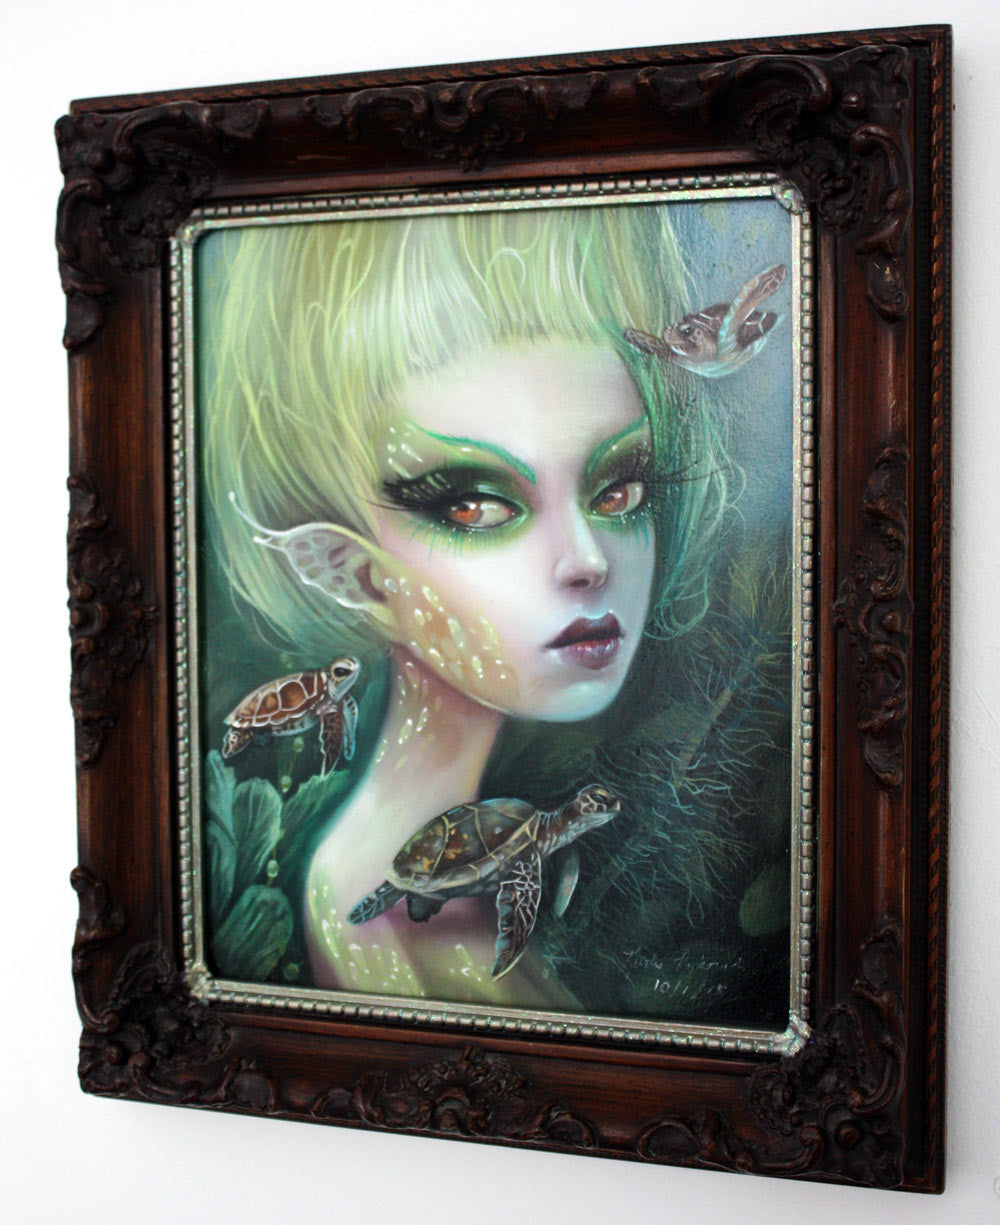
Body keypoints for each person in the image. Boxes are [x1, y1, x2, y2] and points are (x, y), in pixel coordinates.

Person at [201, 203, 786, 1020]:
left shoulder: (493, 883)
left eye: (619, 489)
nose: (587, 559)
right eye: (475, 507)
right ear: (356, 572)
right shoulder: (393, 937)